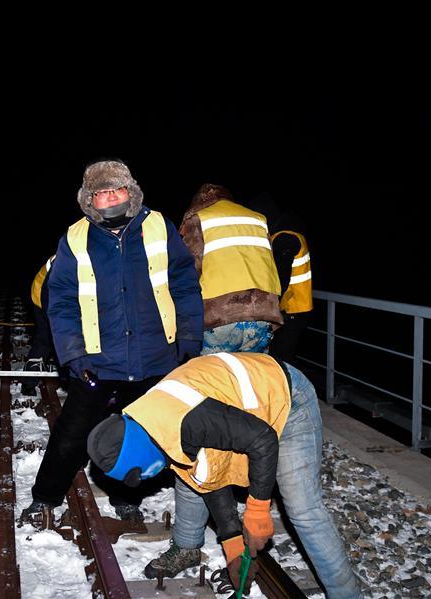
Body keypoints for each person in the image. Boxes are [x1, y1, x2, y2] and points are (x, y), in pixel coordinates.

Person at [87, 352, 361, 599]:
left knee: (304, 510)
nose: (146, 480)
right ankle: (187, 547)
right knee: (187, 477)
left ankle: (347, 595)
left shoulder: (186, 422)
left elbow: (263, 440)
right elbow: (207, 478)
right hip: (237, 414)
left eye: (141, 475)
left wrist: (257, 509)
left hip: (286, 400)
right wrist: (233, 546)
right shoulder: (151, 423)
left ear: (141, 456)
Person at [21, 159, 203, 523]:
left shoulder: (158, 227)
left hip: (156, 357)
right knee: (71, 434)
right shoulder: (74, 238)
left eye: (117, 191)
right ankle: (45, 497)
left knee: (141, 433)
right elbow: (61, 302)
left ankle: (126, 497)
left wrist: (189, 336)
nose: (110, 199)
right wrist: (73, 355)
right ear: (90, 201)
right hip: (98, 362)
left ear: (131, 193)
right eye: (101, 194)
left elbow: (184, 284)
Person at [178, 184, 283, 354]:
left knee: (214, 378)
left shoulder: (199, 219)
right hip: (263, 315)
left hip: (219, 318)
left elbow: (186, 272)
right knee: (251, 376)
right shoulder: (258, 219)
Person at [248, 192, 313, 364]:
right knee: (282, 358)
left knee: (281, 360)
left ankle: (283, 389)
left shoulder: (284, 238)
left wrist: (266, 307)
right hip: (294, 309)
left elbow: (280, 278)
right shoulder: (287, 233)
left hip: (291, 311)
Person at [21, 255, 56, 396]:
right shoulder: (66, 259)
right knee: (46, 337)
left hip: (67, 297)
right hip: (43, 295)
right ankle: (29, 382)